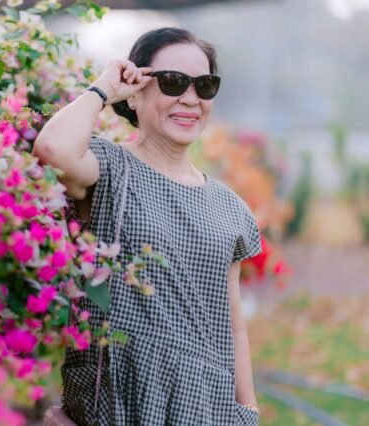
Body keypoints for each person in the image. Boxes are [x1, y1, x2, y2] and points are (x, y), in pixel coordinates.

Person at [33, 27, 263, 425]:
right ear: (135, 91)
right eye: (173, 82)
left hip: (208, 408)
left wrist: (248, 409)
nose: (190, 98)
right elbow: (52, 150)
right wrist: (104, 87)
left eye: (204, 85)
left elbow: (234, 323)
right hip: (122, 400)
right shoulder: (108, 167)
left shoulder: (231, 208)